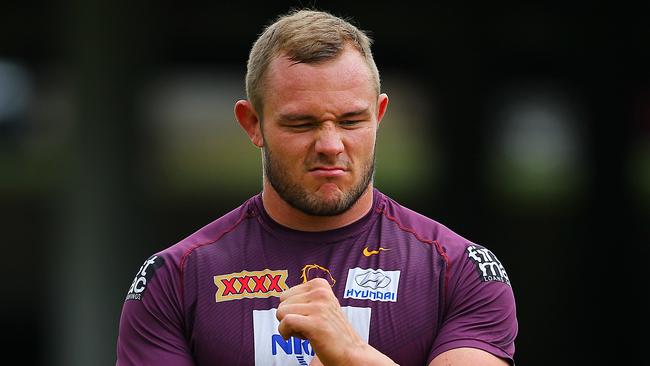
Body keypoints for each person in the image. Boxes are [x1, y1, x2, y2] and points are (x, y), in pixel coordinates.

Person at [116, 8, 518, 366]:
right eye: (301, 123)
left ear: (379, 115)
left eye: (350, 121)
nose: (329, 145)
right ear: (252, 124)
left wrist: (350, 353)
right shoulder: (175, 277)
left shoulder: (460, 270)